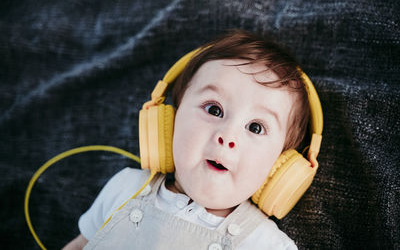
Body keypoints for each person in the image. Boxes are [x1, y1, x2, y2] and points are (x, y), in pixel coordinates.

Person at [63, 29, 316, 249]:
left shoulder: (266, 245)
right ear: (170, 121)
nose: (227, 136)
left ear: (279, 167)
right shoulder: (126, 188)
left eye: (256, 127)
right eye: (214, 110)